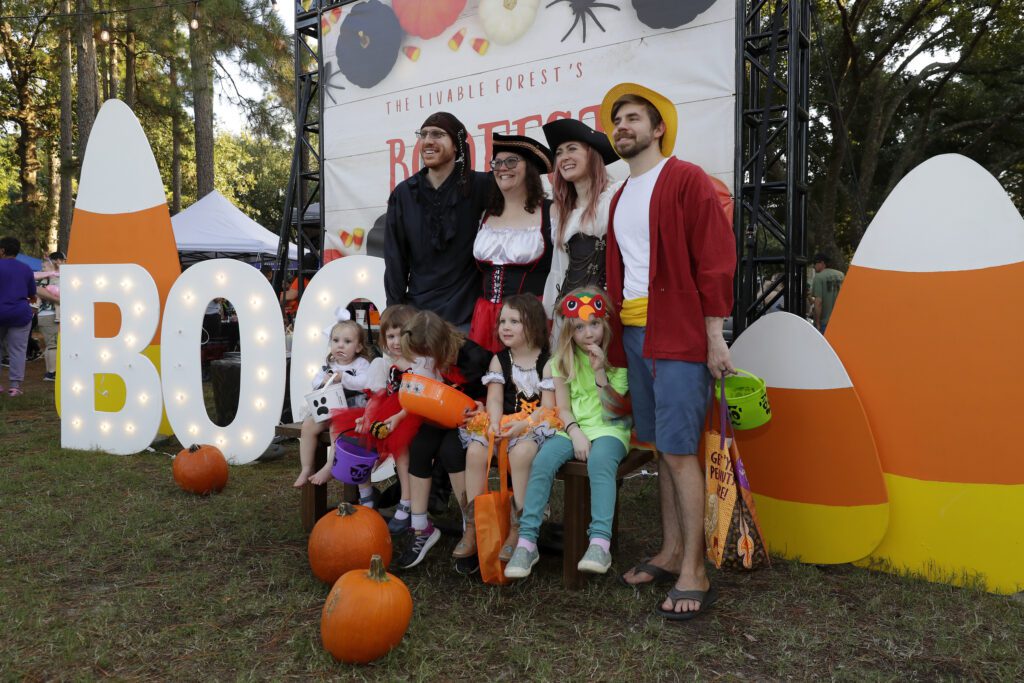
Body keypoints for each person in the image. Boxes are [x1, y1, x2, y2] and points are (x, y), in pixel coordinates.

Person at [601, 84, 736, 621]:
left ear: (659, 129)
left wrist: (714, 335)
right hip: (635, 334)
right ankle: (670, 550)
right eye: (618, 121)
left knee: (680, 450)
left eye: (633, 118)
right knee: (659, 447)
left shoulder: (685, 179)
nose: (623, 127)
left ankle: (694, 571)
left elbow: (715, 261)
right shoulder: (619, 195)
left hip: (678, 332)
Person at [505, 288, 631, 580]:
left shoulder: (618, 359)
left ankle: (600, 542)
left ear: (605, 324)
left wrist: (600, 372)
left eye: (594, 324)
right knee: (542, 462)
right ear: (569, 332)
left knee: (601, 463)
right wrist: (575, 434)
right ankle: (527, 541)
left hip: (610, 428)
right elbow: (562, 408)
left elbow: (613, 410)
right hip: (573, 426)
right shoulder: (562, 360)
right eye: (579, 327)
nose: (588, 333)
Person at [458, 294, 558, 573]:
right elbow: (494, 399)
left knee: (523, 452)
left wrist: (524, 426)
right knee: (477, 450)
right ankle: (474, 525)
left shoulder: (547, 363)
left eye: (514, 321)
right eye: (503, 320)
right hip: (503, 420)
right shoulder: (498, 360)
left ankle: (522, 527)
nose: (505, 326)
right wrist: (492, 423)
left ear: (534, 325)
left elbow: (549, 407)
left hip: (534, 423)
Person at [394, 310, 490, 570]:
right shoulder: (426, 355)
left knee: (450, 451)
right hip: (441, 415)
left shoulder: (475, 356)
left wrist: (484, 409)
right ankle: (420, 527)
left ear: (442, 344)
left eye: (428, 353)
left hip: (472, 421)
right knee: (419, 447)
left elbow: (494, 394)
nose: (425, 358)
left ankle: (470, 528)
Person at [384, 112, 492, 329]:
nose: (428, 141)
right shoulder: (404, 194)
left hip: (468, 318)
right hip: (419, 318)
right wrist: (395, 315)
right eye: (423, 135)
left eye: (437, 134)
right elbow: (395, 260)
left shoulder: (481, 186)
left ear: (456, 145)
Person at [467, 133, 554, 353]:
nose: (503, 168)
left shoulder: (551, 212)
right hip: (485, 319)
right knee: (486, 381)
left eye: (512, 161)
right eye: (497, 162)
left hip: (529, 318)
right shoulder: (486, 215)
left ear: (530, 169)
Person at [541, 118, 622, 321]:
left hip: (607, 312)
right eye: (559, 153)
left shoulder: (615, 196)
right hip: (570, 316)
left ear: (592, 154)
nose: (564, 157)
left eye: (572, 149)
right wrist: (552, 316)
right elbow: (558, 270)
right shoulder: (562, 213)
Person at [352, 304, 421, 534]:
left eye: (401, 335)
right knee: (361, 436)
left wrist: (400, 416)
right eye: (390, 336)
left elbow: (423, 397)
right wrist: (367, 417)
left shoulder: (420, 363)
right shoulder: (383, 363)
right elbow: (377, 396)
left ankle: (407, 501)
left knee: (401, 448)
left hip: (413, 413)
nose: (395, 342)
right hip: (387, 410)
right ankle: (366, 493)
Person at [294, 310, 372, 495]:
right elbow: (315, 383)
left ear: (359, 347)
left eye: (347, 342)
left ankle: (330, 465)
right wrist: (324, 380)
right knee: (308, 426)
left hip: (352, 411)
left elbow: (365, 383)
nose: (340, 346)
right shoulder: (328, 366)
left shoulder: (361, 365)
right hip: (328, 409)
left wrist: (343, 377)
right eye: (335, 341)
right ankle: (306, 467)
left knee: (337, 425)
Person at [0, 236, 47, 397]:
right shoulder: (26, 268)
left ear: (2, 250)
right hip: (19, 314)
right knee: (18, 350)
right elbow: (32, 293)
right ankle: (15, 387)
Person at [37, 252, 64, 382]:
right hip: (50, 315)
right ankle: (52, 373)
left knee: (50, 344)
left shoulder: (47, 278)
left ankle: (50, 371)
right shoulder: (48, 279)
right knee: (53, 344)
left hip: (45, 316)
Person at [811, 252, 844, 333]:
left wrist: (817, 324)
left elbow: (818, 303)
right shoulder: (841, 275)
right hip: (841, 322)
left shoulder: (819, 277)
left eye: (815, 263)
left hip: (825, 323)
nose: (814, 266)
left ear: (822, 263)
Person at [283, 252, 318, 322]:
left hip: (300, 315)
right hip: (314, 312)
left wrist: (276, 294)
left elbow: (290, 296)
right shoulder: (317, 278)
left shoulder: (301, 279)